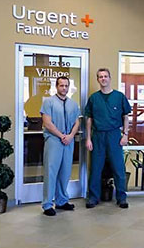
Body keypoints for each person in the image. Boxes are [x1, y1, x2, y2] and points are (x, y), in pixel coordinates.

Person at [85, 68, 131, 209]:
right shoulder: (93, 98)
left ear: (110, 78)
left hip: (114, 135)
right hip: (98, 135)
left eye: (105, 76)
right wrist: (88, 138)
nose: (103, 79)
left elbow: (126, 117)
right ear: (97, 79)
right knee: (96, 168)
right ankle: (93, 198)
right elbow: (89, 119)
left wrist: (125, 135)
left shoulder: (119, 96)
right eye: (100, 77)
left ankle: (121, 198)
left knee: (118, 168)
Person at [40, 76, 80, 216]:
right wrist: (61, 136)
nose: (64, 88)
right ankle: (47, 204)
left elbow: (77, 122)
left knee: (65, 172)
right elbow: (47, 123)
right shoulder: (49, 102)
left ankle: (62, 201)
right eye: (61, 85)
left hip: (68, 141)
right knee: (51, 172)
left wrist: (70, 136)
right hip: (54, 140)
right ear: (56, 87)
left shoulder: (73, 104)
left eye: (66, 85)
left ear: (68, 87)